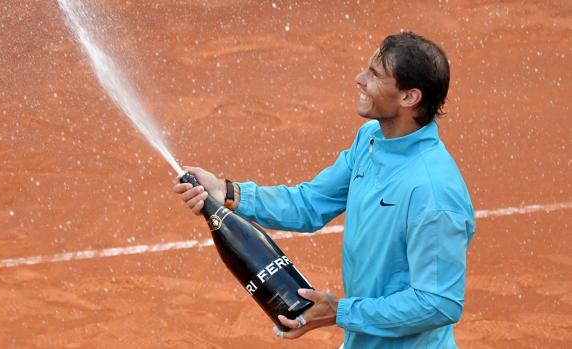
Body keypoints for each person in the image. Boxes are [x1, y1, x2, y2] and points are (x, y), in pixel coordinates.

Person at [173, 32, 475, 349]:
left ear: (409, 98)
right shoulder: (371, 140)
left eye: (374, 75)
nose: (359, 79)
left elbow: (439, 303)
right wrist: (227, 191)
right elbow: (310, 203)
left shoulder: (434, 192)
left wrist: (341, 312)